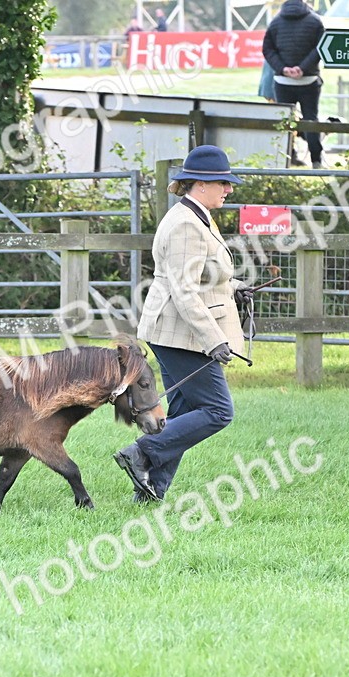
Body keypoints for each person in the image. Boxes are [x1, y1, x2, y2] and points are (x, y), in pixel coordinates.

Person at [113, 145, 254, 503]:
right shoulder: (186, 224)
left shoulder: (197, 215)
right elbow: (182, 289)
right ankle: (142, 452)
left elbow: (200, 276)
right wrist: (213, 340)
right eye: (223, 183)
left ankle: (150, 491)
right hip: (180, 333)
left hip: (179, 330)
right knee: (218, 411)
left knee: (185, 413)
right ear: (201, 183)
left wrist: (233, 288)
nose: (229, 189)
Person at [262, 0, 324, 168]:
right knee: (311, 120)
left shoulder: (275, 21)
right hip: (309, 79)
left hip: (282, 81)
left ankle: (283, 161)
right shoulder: (315, 21)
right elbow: (321, 48)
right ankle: (316, 161)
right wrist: (302, 69)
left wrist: (283, 69)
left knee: (284, 121)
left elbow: (267, 49)